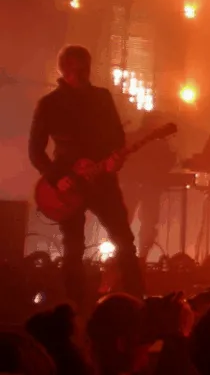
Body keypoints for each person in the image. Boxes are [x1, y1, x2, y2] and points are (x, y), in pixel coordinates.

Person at [28, 45, 144, 304]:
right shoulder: (49, 105)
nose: (83, 76)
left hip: (102, 181)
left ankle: (136, 301)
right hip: (68, 186)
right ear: (64, 71)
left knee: (124, 240)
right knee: (73, 248)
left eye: (86, 70)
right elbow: (35, 151)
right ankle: (76, 306)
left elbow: (117, 137)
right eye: (77, 71)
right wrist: (57, 178)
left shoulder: (102, 98)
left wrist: (115, 160)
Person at [121, 113, 177, 260]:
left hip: (132, 185)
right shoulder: (160, 142)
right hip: (148, 186)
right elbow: (168, 163)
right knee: (149, 223)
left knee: (124, 222)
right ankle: (142, 258)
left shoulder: (130, 137)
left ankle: (122, 256)